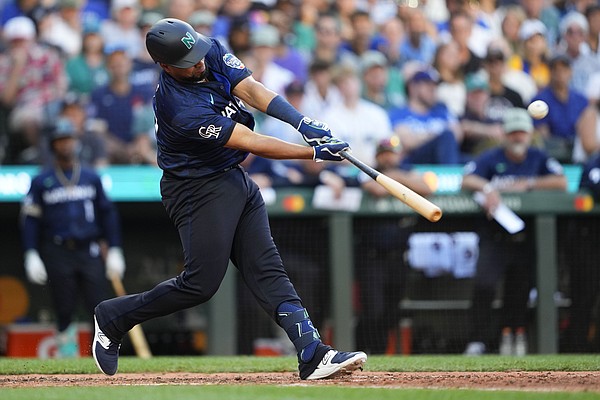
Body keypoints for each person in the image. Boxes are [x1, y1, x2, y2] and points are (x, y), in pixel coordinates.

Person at [92, 18, 367, 380]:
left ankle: (313, 353)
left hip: (234, 179)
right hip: (196, 189)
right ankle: (113, 317)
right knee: (199, 285)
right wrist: (311, 153)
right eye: (187, 61)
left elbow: (251, 89)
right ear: (165, 66)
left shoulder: (207, 49)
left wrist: (303, 123)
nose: (198, 62)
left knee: (268, 269)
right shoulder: (178, 107)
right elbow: (248, 141)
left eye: (197, 53)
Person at [461, 108, 567, 356]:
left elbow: (561, 182)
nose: (518, 138)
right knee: (485, 285)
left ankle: (513, 338)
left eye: (522, 133)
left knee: (519, 291)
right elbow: (466, 179)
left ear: (529, 134)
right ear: (505, 135)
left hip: (527, 237)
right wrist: (488, 187)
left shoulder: (538, 157)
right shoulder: (491, 157)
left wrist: (528, 184)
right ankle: (478, 340)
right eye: (513, 133)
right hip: (495, 236)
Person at [20, 119, 126, 358]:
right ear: (53, 145)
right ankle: (68, 358)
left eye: (68, 140)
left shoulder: (90, 176)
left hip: (89, 249)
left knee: (97, 306)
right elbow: (30, 220)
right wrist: (30, 253)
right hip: (58, 250)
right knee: (64, 307)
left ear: (76, 143)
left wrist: (116, 248)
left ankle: (98, 355)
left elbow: (108, 214)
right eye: (60, 141)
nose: (65, 146)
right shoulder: (41, 180)